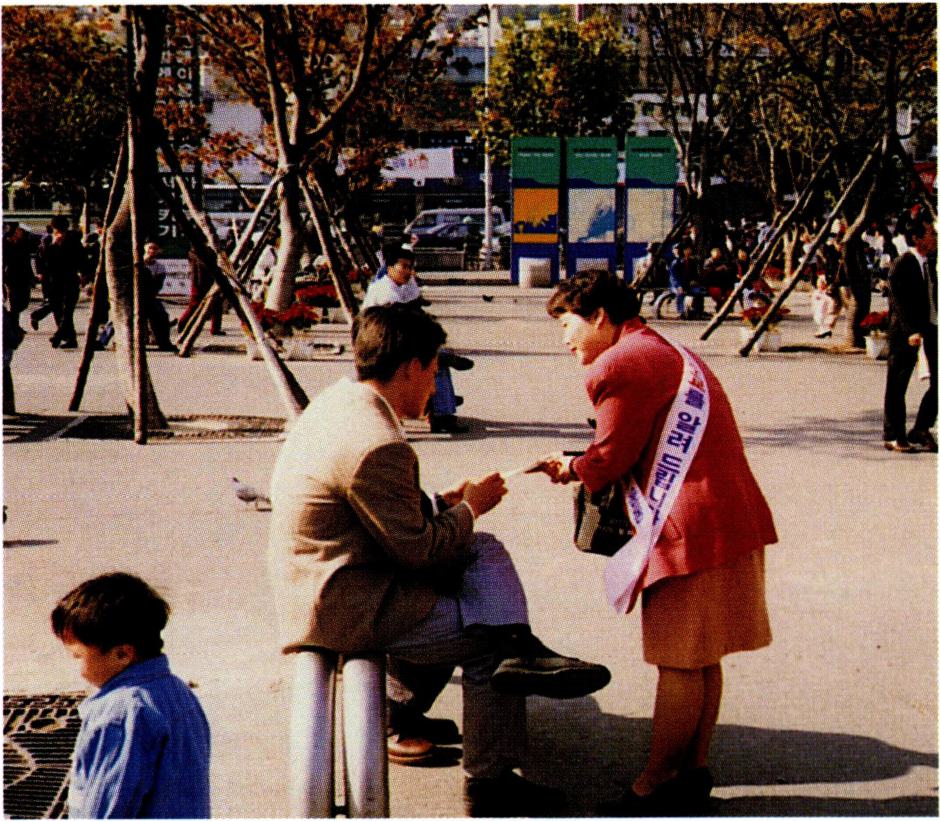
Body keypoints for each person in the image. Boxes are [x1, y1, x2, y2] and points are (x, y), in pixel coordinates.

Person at [267, 303, 610, 816]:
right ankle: (491, 781)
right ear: (409, 366)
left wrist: (443, 505)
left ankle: (412, 700)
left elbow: (378, 512)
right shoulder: (378, 443)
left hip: (328, 579)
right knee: (484, 637)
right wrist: (473, 507)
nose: (435, 384)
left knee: (481, 555)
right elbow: (421, 555)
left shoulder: (341, 404)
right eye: (433, 370)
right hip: (346, 604)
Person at [533, 270, 777, 816]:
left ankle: (654, 783)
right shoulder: (663, 348)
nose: (564, 338)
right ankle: (691, 770)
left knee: (678, 660)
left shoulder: (617, 364)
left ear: (600, 316)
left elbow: (612, 456)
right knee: (702, 657)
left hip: (687, 528)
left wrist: (572, 467)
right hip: (727, 517)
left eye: (568, 324)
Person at [50, 572, 211, 818]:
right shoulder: (178, 692)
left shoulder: (121, 713)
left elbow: (109, 806)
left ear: (123, 655)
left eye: (78, 657)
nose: (76, 667)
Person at [363, 242, 473, 434]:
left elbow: (415, 313)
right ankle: (442, 410)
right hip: (381, 345)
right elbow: (401, 324)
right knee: (433, 360)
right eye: (403, 267)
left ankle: (443, 413)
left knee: (436, 363)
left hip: (399, 340)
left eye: (411, 267)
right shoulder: (384, 290)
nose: (408, 271)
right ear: (389, 268)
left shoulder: (404, 285)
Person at [882, 210, 937, 453]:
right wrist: (910, 330)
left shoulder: (929, 264)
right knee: (897, 383)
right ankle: (893, 435)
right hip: (906, 332)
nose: (935, 237)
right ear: (916, 238)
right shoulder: (903, 263)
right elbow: (898, 301)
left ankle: (921, 428)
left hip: (931, 329)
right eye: (931, 233)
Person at [31, 215, 85, 348]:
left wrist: (83, 274)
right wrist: (53, 245)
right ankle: (70, 339)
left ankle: (59, 336)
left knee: (67, 311)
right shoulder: (48, 241)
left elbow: (81, 259)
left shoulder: (73, 241)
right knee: (58, 311)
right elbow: (43, 260)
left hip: (70, 279)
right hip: (54, 281)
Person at [176, 246, 224, 337]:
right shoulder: (195, 252)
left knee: (217, 304)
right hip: (199, 281)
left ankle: (215, 328)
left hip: (210, 279)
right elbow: (202, 265)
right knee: (194, 305)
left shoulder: (208, 250)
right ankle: (182, 324)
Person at [141, 241, 178, 353]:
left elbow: (157, 286)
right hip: (133, 298)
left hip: (149, 297)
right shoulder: (138, 264)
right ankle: (103, 340)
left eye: (154, 249)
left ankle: (164, 343)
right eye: (150, 249)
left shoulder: (160, 267)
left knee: (162, 316)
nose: (152, 252)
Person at [3, 222, 38, 332]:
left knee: (24, 302)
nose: (21, 232)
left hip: (24, 276)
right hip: (11, 277)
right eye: (19, 231)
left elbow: (27, 262)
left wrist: (32, 277)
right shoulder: (5, 245)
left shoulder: (23, 244)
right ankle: (14, 326)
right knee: (14, 303)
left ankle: (9, 319)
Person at [668, 241, 705, 319]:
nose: (688, 251)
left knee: (699, 292)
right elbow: (673, 277)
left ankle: (698, 312)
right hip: (677, 285)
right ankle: (682, 312)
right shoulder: (675, 263)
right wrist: (678, 286)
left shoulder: (691, 261)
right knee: (681, 293)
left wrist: (694, 280)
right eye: (686, 250)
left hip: (688, 284)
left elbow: (695, 274)